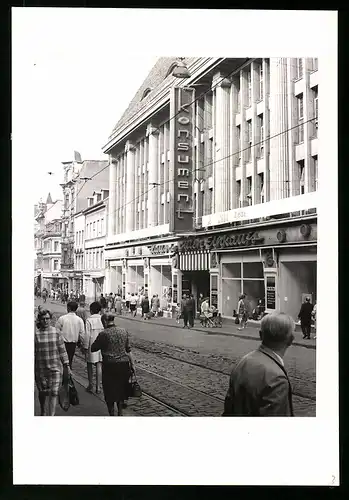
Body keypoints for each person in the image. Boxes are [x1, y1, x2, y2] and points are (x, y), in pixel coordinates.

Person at [223, 312, 295, 417]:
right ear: (290, 340)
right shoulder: (277, 379)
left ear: (260, 335)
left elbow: (229, 409)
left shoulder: (243, 362)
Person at [91, 313, 134, 416]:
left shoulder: (103, 334)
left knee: (109, 391)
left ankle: (111, 414)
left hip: (110, 366)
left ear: (105, 321)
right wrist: (133, 364)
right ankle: (120, 413)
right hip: (124, 365)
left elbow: (94, 348)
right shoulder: (123, 331)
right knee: (121, 390)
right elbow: (128, 350)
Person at [35, 309, 70, 416]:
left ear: (50, 319)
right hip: (41, 369)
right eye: (43, 319)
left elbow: (62, 349)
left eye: (47, 319)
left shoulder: (56, 332)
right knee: (43, 392)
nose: (45, 321)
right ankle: (43, 409)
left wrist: (67, 365)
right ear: (39, 320)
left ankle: (51, 416)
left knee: (54, 392)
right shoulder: (35, 335)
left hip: (55, 368)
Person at [81, 302, 103, 393]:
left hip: (91, 344)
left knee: (89, 365)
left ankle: (91, 385)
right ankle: (98, 387)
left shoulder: (89, 320)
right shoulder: (103, 318)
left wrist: (85, 346)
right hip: (101, 344)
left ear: (91, 310)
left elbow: (87, 334)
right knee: (99, 365)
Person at [55, 301, 85, 368]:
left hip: (62, 343)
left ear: (68, 308)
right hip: (73, 344)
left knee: (62, 361)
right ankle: (68, 373)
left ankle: (65, 375)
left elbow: (56, 331)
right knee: (70, 360)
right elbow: (82, 333)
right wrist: (83, 344)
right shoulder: (79, 320)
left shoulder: (62, 318)